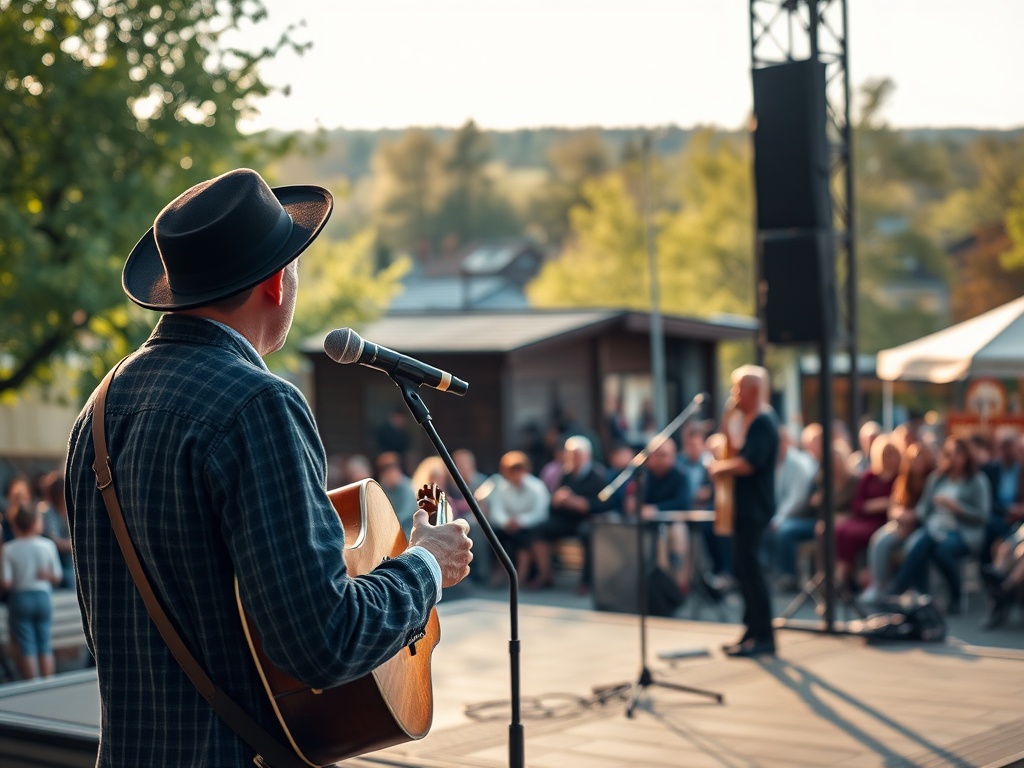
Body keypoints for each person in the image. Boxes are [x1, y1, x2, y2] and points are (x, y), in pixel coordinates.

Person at [64, 168, 473, 766]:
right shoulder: (259, 403)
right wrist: (427, 565)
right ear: (277, 283)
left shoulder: (98, 409)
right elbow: (323, 643)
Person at [709, 365, 779, 658]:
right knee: (742, 569)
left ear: (752, 390)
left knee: (751, 571)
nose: (733, 394)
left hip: (754, 507)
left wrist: (719, 467)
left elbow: (749, 462)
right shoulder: (751, 420)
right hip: (743, 507)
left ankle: (764, 635)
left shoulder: (763, 422)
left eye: (737, 388)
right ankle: (751, 630)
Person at [884, 436, 990, 614]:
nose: (954, 458)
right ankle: (920, 595)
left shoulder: (977, 480)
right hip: (935, 528)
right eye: (950, 454)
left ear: (967, 456)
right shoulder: (937, 479)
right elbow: (923, 509)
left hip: (963, 532)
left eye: (959, 454)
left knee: (938, 548)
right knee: (925, 542)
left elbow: (983, 516)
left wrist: (957, 508)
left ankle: (904, 588)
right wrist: (903, 515)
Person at [527, 435, 610, 592]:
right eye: (569, 454)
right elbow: (556, 502)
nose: (572, 458)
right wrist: (557, 500)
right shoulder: (566, 474)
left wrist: (579, 503)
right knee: (538, 530)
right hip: (566, 518)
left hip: (588, 520)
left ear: (587, 455)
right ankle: (545, 574)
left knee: (587, 534)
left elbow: (602, 504)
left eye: (576, 454)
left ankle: (587, 580)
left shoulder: (597, 474)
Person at [860, 442, 937, 605]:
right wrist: (900, 515)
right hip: (901, 525)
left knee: (914, 546)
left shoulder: (932, 480)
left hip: (922, 526)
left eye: (920, 458)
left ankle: (912, 589)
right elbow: (894, 506)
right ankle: (879, 586)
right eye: (913, 459)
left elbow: (927, 510)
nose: (917, 462)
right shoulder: (902, 480)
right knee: (880, 540)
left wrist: (912, 518)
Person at [1, 504, 63, 679]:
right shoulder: (48, 545)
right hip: (43, 596)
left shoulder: (9, 548)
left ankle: (33, 683)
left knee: (25, 644)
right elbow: (57, 577)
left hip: (20, 598)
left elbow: (6, 582)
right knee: (44, 642)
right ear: (36, 523)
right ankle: (48, 682)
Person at [833, 437, 901, 592]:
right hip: (863, 518)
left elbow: (895, 503)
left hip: (882, 521)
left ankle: (842, 576)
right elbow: (858, 504)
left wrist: (876, 505)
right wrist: (881, 503)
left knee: (850, 534)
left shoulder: (900, 477)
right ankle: (845, 575)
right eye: (885, 454)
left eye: (891, 454)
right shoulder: (869, 476)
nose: (888, 458)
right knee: (839, 530)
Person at [484, 451, 550, 584]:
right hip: (508, 527)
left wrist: (520, 521)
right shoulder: (501, 487)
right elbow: (497, 511)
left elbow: (540, 512)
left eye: (519, 470)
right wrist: (506, 522)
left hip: (530, 527)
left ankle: (524, 576)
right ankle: (502, 570)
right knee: (493, 535)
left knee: (525, 538)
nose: (515, 475)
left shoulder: (537, 487)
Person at [767, 426, 816, 591]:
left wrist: (779, 517)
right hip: (781, 515)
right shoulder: (772, 463)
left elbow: (797, 498)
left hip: (800, 516)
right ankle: (770, 572)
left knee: (783, 530)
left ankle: (789, 576)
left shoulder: (797, 465)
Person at [375, 452, 417, 536]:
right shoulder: (381, 488)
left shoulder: (407, 488)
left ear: (396, 470)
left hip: (408, 535)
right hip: (389, 534)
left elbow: (405, 515)